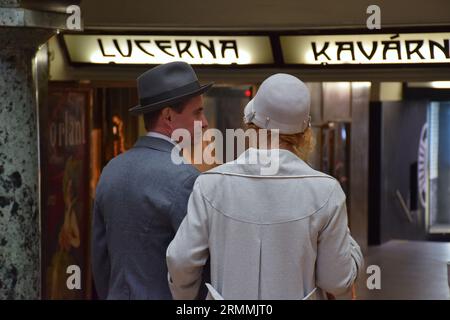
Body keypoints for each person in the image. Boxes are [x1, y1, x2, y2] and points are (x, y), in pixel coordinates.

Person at [166, 73, 363, 300]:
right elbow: (335, 281)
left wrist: (186, 298)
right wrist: (355, 254)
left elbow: (181, 261)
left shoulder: (210, 185)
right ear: (304, 132)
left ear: (251, 123)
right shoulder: (326, 192)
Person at [92, 61, 212, 299]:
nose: (205, 122)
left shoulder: (111, 170)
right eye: (197, 112)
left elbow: (100, 257)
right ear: (168, 116)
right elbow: (197, 264)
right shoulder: (186, 179)